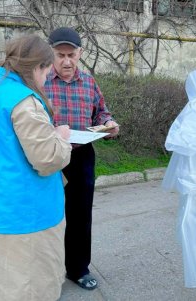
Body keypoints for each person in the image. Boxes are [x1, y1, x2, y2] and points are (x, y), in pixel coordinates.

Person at [0, 34, 72, 301]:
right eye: (47, 71)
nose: (46, 79)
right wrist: (60, 138)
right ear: (38, 66)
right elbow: (47, 159)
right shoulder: (23, 101)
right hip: (21, 213)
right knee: (23, 287)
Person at [44, 27, 119, 290]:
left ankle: (78, 269)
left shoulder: (88, 82)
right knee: (47, 216)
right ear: (50, 53)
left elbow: (101, 113)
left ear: (80, 54)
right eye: (60, 54)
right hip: (48, 157)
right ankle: (47, 272)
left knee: (79, 216)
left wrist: (109, 124)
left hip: (82, 156)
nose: (66, 61)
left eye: (71, 55)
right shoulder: (39, 82)